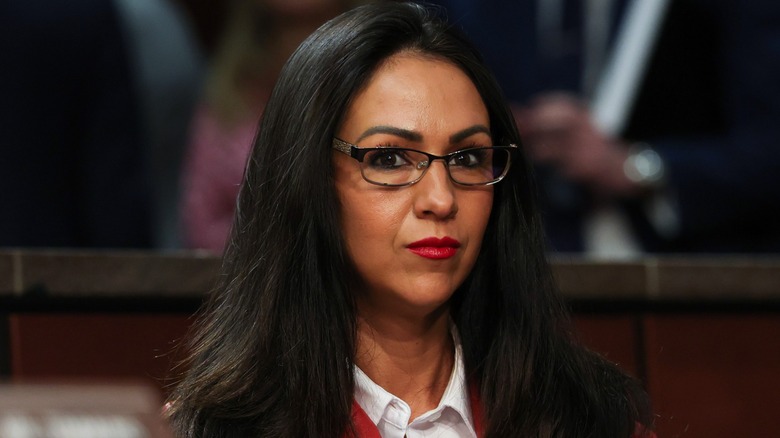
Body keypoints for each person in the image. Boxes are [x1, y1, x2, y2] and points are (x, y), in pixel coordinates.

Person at [166, 3, 654, 437]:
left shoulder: (590, 418)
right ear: (310, 179)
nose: (440, 200)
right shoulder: (215, 430)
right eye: (391, 159)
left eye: (467, 159)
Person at [426, 0, 780, 255]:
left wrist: (637, 168)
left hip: (678, 272)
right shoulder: (458, 10)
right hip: (503, 265)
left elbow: (767, 147)